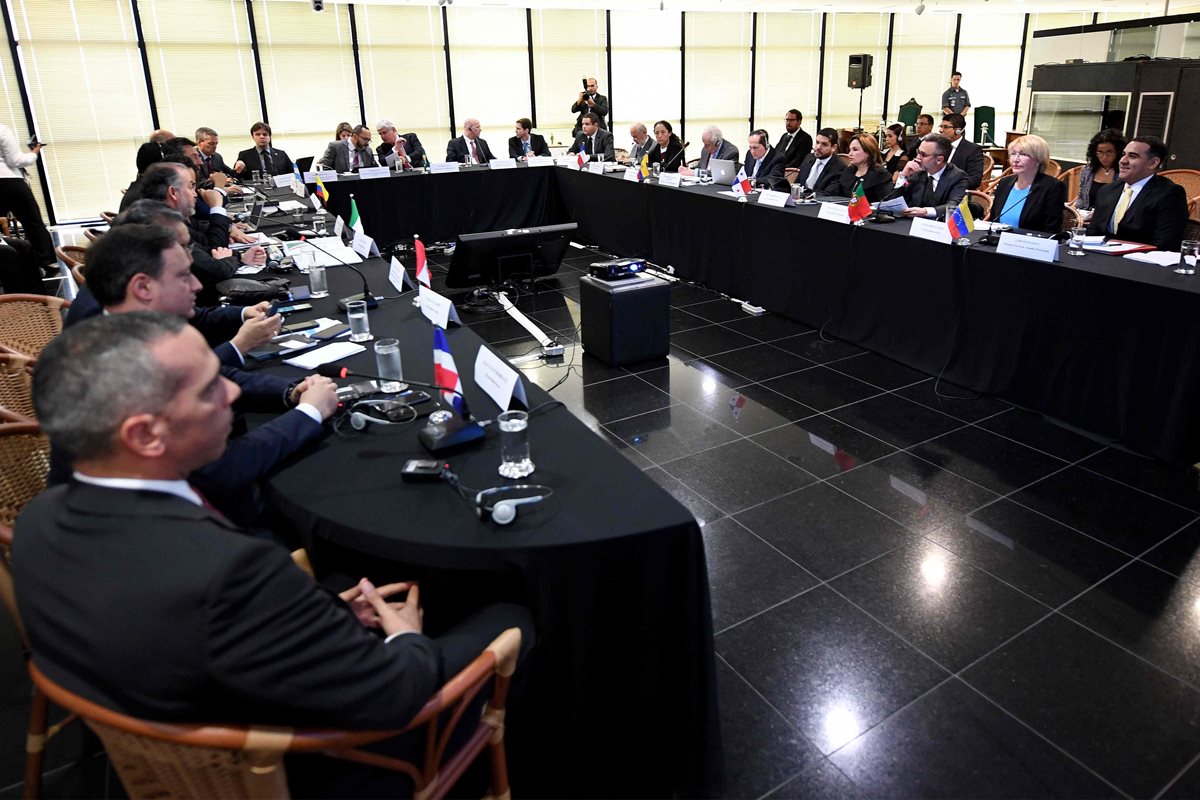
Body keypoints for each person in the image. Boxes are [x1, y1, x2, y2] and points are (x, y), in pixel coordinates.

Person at [15, 311, 533, 755]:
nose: (234, 390)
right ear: (145, 435)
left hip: (185, 715)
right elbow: (395, 695)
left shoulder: (39, 520)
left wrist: (323, 613)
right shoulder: (232, 572)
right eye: (209, 387)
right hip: (314, 761)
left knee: (347, 581)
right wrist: (406, 641)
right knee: (513, 615)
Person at [58, 224, 331, 525]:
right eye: (183, 276)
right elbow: (222, 470)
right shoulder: (116, 363)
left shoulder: (132, 327)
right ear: (143, 287)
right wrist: (309, 413)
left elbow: (214, 374)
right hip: (166, 533)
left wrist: (291, 391)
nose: (198, 286)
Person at [1086, 135, 1188, 251]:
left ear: (1153, 163)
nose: (1123, 161)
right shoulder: (1107, 190)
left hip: (1142, 262)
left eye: (1133, 156)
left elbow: (1164, 244)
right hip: (1099, 259)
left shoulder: (1169, 194)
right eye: (1123, 154)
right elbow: (1092, 233)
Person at [987, 134, 1068, 234]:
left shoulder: (1053, 187)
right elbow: (994, 220)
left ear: (1038, 160)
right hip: (997, 242)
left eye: (1023, 154)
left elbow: (1051, 230)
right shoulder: (1005, 183)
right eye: (1013, 153)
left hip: (1029, 245)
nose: (1015, 159)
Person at [0, 122, 54, 271]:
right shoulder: (2, 130)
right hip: (10, 182)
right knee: (33, 222)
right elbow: (16, 161)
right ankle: (44, 262)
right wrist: (35, 151)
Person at [890, 133, 969, 219]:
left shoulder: (958, 177)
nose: (917, 158)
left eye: (923, 155)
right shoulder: (917, 174)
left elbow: (954, 206)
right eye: (918, 152)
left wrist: (926, 212)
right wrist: (903, 176)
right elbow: (895, 202)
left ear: (939, 160)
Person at [1075, 128, 1126, 210]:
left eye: (1109, 152)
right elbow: (1082, 198)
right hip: (1087, 214)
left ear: (1118, 151)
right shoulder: (1087, 170)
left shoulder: (1124, 172)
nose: (1104, 157)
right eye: (1100, 152)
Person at [836, 133, 892, 203]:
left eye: (855, 150)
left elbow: (885, 204)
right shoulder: (848, 171)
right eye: (850, 150)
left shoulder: (881, 175)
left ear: (868, 151)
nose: (850, 154)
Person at [940, 113, 984, 190]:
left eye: (945, 127)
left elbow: (975, 180)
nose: (941, 130)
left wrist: (948, 184)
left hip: (956, 194)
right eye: (941, 127)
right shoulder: (937, 146)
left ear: (958, 130)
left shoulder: (973, 150)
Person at [795, 128, 845, 194]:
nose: (818, 147)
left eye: (824, 144)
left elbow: (828, 194)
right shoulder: (809, 158)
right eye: (817, 142)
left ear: (833, 147)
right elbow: (797, 183)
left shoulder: (839, 167)